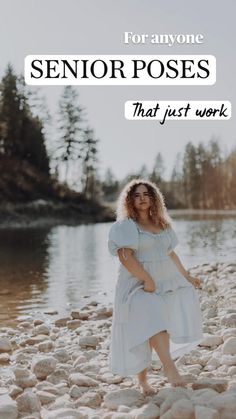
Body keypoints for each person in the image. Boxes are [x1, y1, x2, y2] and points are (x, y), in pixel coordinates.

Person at [107, 179, 203, 395]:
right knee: (152, 317)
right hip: (135, 284)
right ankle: (169, 368)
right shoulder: (126, 226)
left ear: (153, 198)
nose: (142, 198)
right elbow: (125, 257)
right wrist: (147, 280)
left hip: (163, 281)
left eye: (146, 194)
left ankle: (143, 381)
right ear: (130, 200)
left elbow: (170, 253)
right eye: (137, 195)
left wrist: (186, 276)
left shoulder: (162, 224)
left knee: (152, 325)